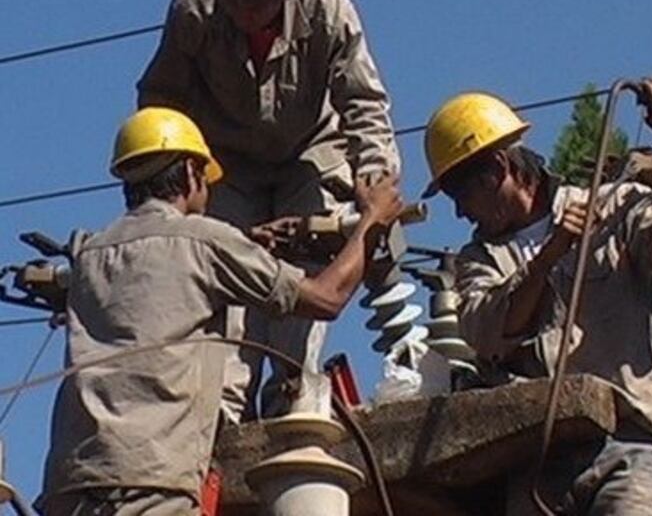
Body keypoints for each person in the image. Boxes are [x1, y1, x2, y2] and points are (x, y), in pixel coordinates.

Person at [37, 107, 402, 516]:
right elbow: (325, 297)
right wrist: (373, 220)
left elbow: (159, 274)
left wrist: (244, 245)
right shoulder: (206, 241)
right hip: (150, 483)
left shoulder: (90, 254)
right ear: (191, 172)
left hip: (69, 485)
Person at [137, 0, 400, 421]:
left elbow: (364, 103)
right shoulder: (194, 5)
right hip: (224, 165)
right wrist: (166, 194)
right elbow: (161, 98)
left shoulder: (327, 7)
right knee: (228, 295)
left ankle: (290, 407)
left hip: (310, 154)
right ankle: (223, 419)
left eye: (252, 1)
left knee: (301, 286)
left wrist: (373, 183)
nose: (238, 9)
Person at [423, 78, 652, 515]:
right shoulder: (479, 259)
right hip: (538, 463)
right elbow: (490, 332)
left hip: (628, 442)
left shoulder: (614, 208)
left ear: (497, 169)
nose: (459, 211)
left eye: (460, 193)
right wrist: (552, 253)